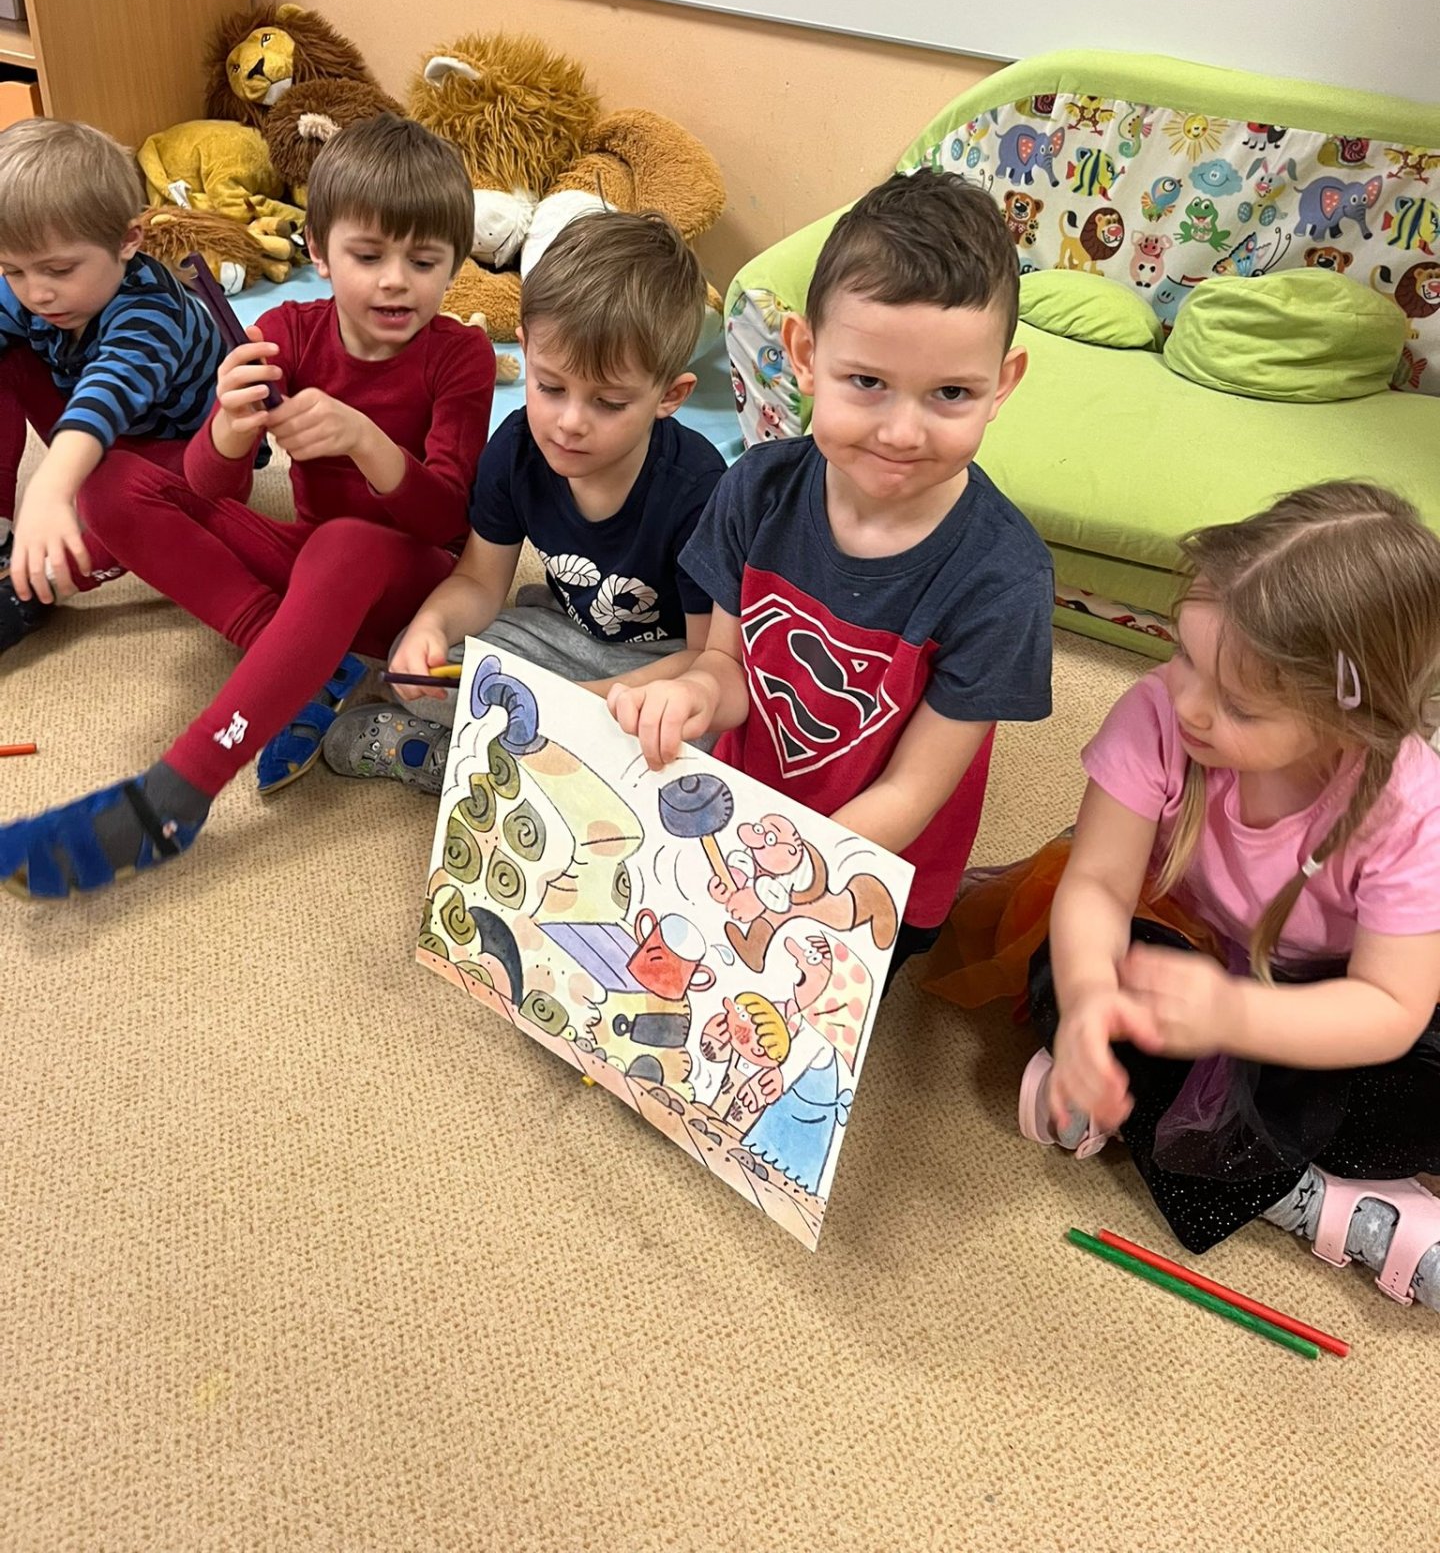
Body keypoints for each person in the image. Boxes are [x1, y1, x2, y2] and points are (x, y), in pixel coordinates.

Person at [0, 113, 495, 898]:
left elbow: (448, 523)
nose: (395, 281)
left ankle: (176, 793)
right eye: (368, 256)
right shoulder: (283, 331)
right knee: (113, 482)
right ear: (319, 253)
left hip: (410, 587)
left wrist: (366, 440)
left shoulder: (461, 355)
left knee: (342, 543)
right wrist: (229, 429)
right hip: (311, 577)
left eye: (424, 261)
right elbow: (208, 489)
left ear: (454, 265)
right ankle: (298, 658)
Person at [610, 170, 1055, 987]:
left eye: (951, 393)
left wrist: (798, 886)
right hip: (748, 825)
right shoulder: (754, 491)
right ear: (806, 356)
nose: (902, 432)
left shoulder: (1005, 578)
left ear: (1003, 385)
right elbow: (728, 665)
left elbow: (915, 788)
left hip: (876, 879)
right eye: (868, 382)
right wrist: (695, 693)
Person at [1017, 482, 1440, 1310]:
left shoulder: (1412, 808)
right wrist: (1092, 1006)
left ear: (1351, 722)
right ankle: (1293, 1185)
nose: (1188, 703)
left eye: (1239, 706)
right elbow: (1096, 882)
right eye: (1183, 654)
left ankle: (1246, 1166)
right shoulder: (1158, 716)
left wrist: (1233, 1018)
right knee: (1055, 977)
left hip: (1331, 996)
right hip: (1195, 954)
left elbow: (1389, 1005)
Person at [324, 209, 724, 792]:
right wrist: (432, 626)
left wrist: (582, 701)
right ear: (526, 347)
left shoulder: (700, 489)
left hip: (656, 665)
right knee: (422, 659)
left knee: (704, 740)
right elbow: (480, 582)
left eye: (609, 403)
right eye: (550, 387)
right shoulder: (515, 448)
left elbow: (708, 657)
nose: (569, 422)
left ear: (671, 395)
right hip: (557, 633)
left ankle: (463, 758)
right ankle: (504, 756)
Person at [0, 119, 224, 651]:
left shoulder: (153, 312)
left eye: (59, 269)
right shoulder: (33, 289)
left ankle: (33, 588)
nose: (36, 294)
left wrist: (52, 485)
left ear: (128, 240)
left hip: (188, 455)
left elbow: (108, 389)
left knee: (113, 499)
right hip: (91, 428)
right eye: (12, 270)